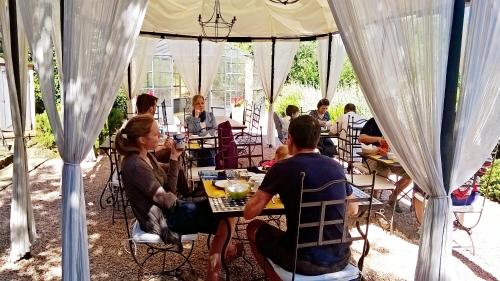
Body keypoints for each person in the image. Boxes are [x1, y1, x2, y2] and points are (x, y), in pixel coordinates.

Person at [115, 115, 238, 281]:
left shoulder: (146, 156)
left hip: (169, 210)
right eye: (156, 134)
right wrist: (191, 201)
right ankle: (218, 266)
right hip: (161, 220)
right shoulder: (135, 165)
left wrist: (174, 157)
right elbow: (165, 199)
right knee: (226, 214)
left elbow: (169, 188)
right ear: (142, 140)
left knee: (226, 211)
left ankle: (221, 259)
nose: (160, 136)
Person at [244, 115, 358, 278]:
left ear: (289, 139)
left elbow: (249, 213)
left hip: (302, 260)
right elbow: (353, 209)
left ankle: (276, 277)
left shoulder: (282, 167)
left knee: (253, 227)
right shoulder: (336, 166)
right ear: (318, 139)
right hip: (341, 257)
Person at [359, 118, 412, 212]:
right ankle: (375, 199)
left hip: (391, 157)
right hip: (373, 156)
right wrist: (378, 139)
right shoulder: (374, 121)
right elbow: (361, 138)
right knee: (382, 169)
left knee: (411, 173)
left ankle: (394, 196)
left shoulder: (396, 123)